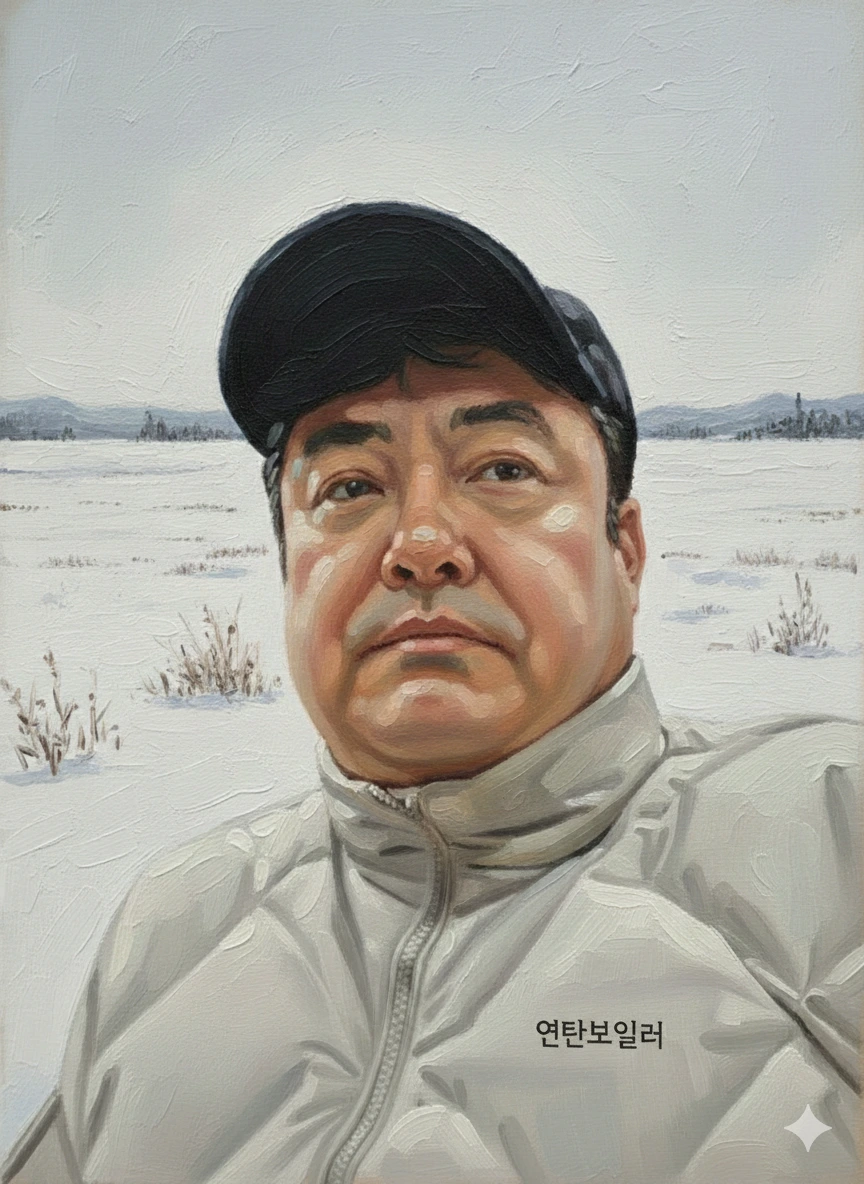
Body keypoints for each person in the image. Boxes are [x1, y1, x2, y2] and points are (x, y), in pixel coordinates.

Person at [3, 203, 860, 1184]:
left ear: (624, 553)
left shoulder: (824, 839)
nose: (419, 544)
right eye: (348, 486)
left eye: (503, 468)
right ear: (288, 562)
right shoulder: (176, 931)